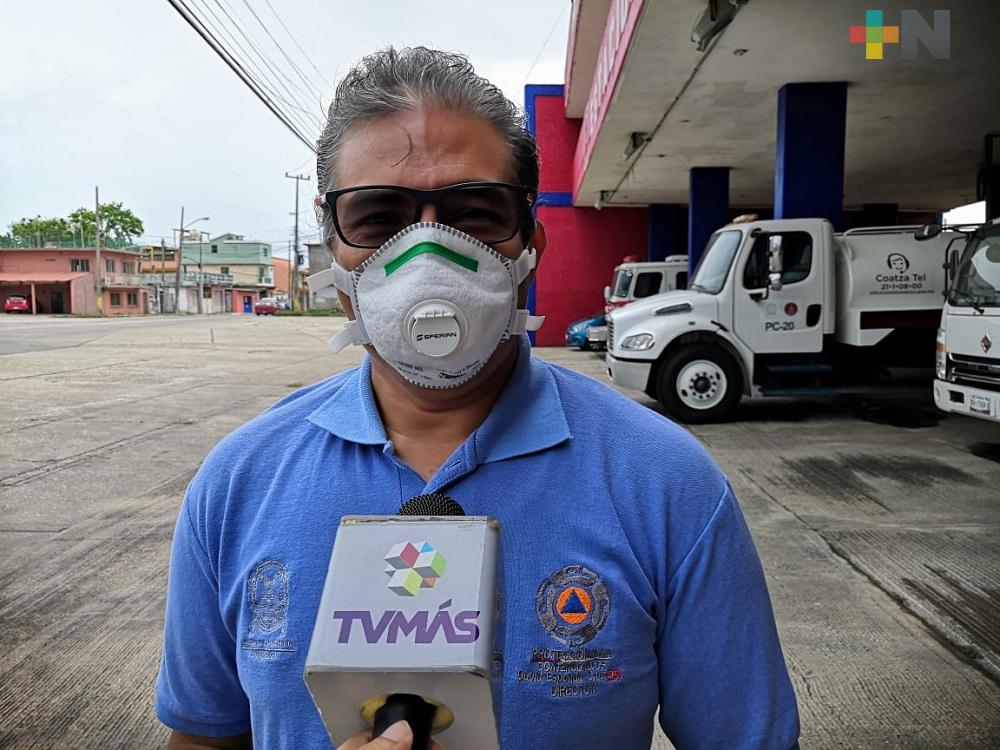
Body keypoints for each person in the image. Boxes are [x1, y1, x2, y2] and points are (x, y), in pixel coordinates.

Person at [156, 47, 800, 750]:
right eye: (377, 217)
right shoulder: (237, 485)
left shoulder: (666, 484)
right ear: (332, 253)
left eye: (475, 212)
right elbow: (201, 735)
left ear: (531, 245)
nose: (427, 254)